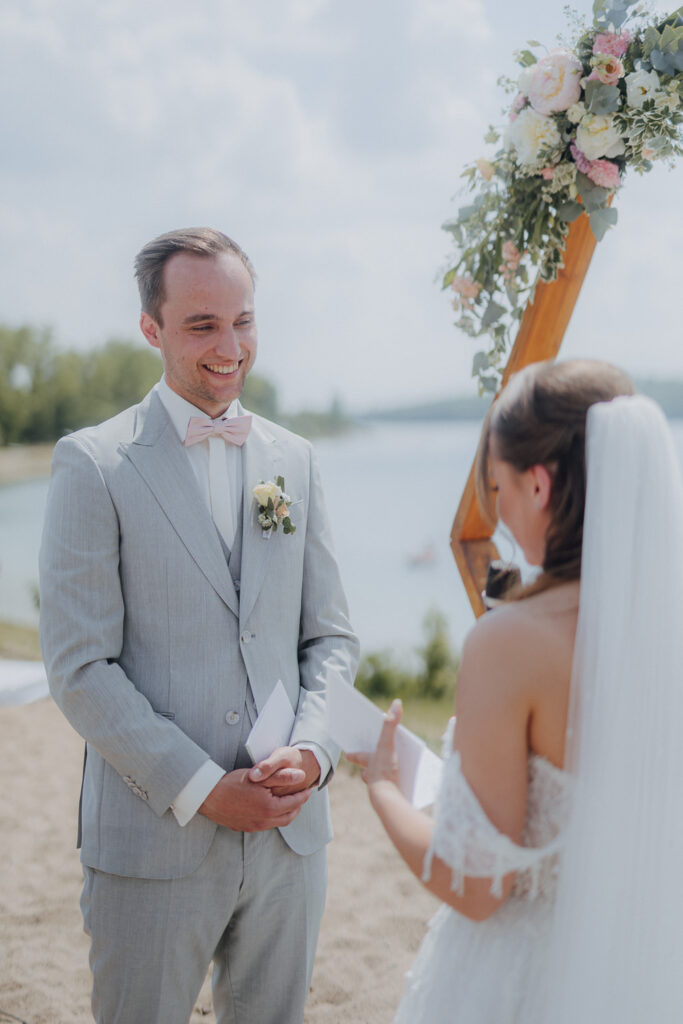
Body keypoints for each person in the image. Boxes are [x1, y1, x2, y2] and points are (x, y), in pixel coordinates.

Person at [39, 227, 359, 1024]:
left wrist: (316, 753)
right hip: (153, 845)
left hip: (291, 842)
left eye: (242, 320)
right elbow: (79, 668)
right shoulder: (93, 465)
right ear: (151, 329)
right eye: (202, 324)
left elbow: (330, 639)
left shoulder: (297, 460)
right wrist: (203, 789)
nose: (230, 346)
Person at [349, 358, 683, 1022]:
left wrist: (384, 787)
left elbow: (477, 889)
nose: (496, 513)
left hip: (532, 979)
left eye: (495, 487)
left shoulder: (511, 644)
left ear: (537, 484)